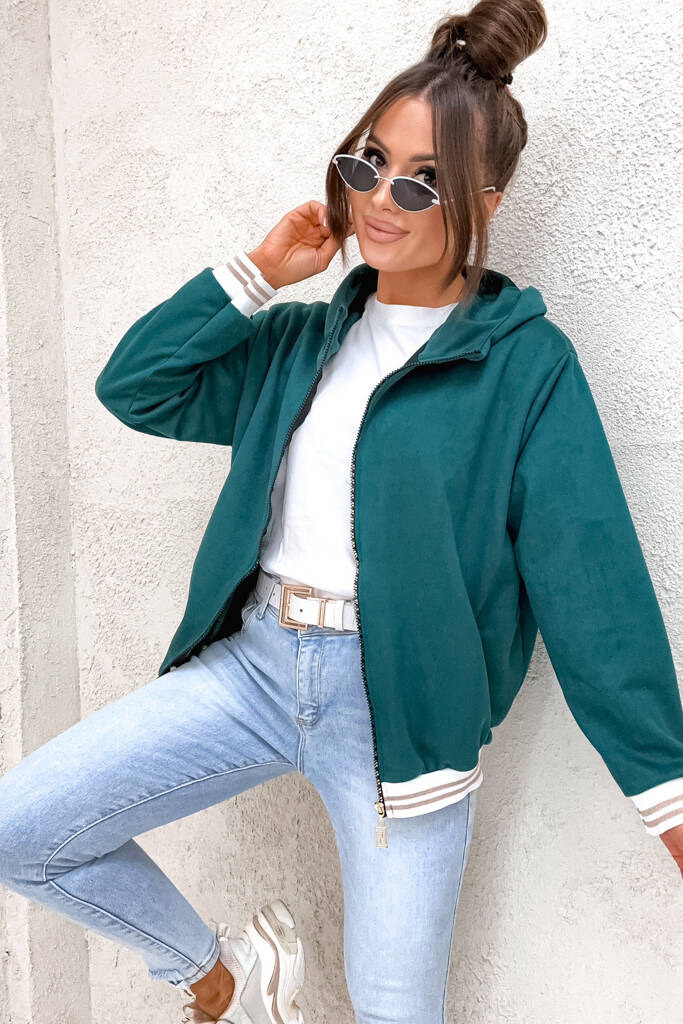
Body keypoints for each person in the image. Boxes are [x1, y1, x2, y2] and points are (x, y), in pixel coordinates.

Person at [1, 2, 682, 1022]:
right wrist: (256, 275)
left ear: (483, 201)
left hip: (398, 718)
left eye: (420, 180)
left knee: (394, 1011)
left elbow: (591, 587)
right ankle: (217, 978)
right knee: (22, 830)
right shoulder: (297, 345)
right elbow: (135, 387)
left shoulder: (523, 366)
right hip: (252, 670)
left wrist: (665, 794)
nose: (379, 199)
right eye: (368, 162)